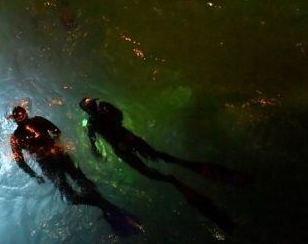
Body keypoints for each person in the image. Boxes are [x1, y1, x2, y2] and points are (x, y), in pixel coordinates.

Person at [79, 98, 246, 233]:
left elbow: (112, 123)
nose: (94, 106)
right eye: (92, 105)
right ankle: (175, 174)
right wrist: (97, 147)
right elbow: (95, 137)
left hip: (126, 141)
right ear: (90, 108)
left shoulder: (99, 115)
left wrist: (99, 146)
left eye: (93, 104)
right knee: (151, 163)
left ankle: (173, 177)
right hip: (124, 143)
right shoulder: (95, 119)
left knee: (152, 162)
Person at [8, 106, 142, 236]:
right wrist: (56, 143)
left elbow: (20, 161)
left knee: (70, 197)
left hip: (48, 163)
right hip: (59, 155)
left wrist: (34, 175)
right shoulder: (38, 120)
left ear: (14, 119)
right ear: (26, 113)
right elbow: (56, 131)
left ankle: (104, 207)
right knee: (82, 182)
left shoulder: (15, 137)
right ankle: (106, 206)